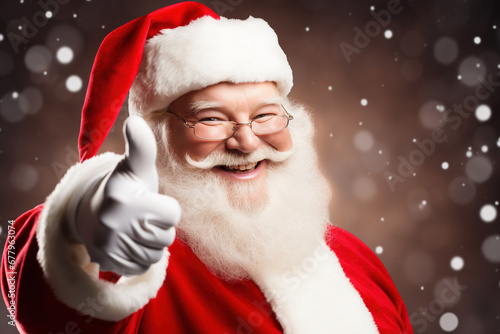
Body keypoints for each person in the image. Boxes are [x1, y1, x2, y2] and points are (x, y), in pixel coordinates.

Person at [1, 2, 413, 333]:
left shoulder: (356, 259)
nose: (247, 141)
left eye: (266, 115)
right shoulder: (140, 255)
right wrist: (81, 223)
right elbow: (44, 297)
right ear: (156, 135)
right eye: (212, 119)